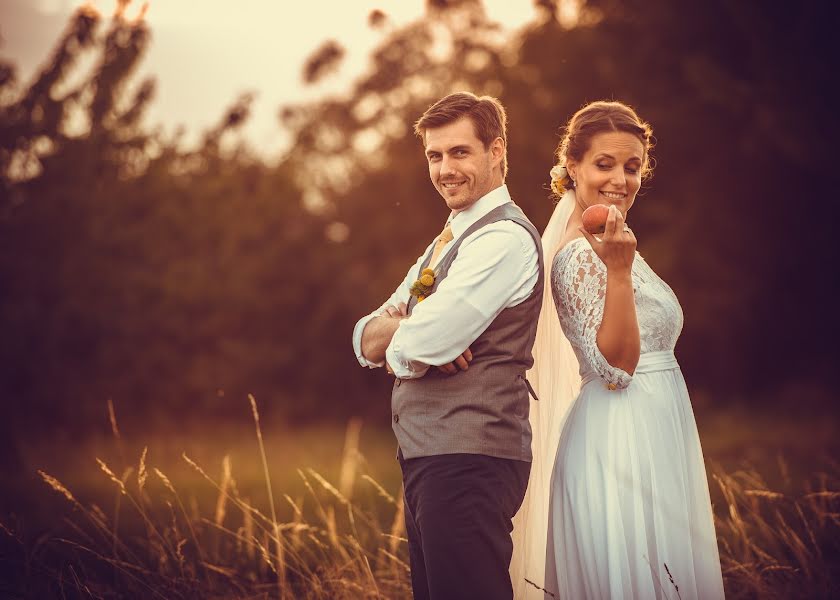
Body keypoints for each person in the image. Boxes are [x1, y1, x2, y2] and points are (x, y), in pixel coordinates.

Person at [510, 101, 725, 599]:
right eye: (604, 164)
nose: (621, 179)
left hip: (655, 428)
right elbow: (617, 367)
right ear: (572, 168)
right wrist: (622, 271)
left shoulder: (609, 238)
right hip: (620, 437)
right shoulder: (577, 254)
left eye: (632, 167)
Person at [352, 91, 544, 600]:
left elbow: (431, 340)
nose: (444, 169)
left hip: (470, 459)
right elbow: (366, 337)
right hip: (434, 457)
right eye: (434, 156)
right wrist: (415, 330)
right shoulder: (450, 237)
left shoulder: (501, 238)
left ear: (496, 150)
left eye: (459, 152)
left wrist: (416, 333)